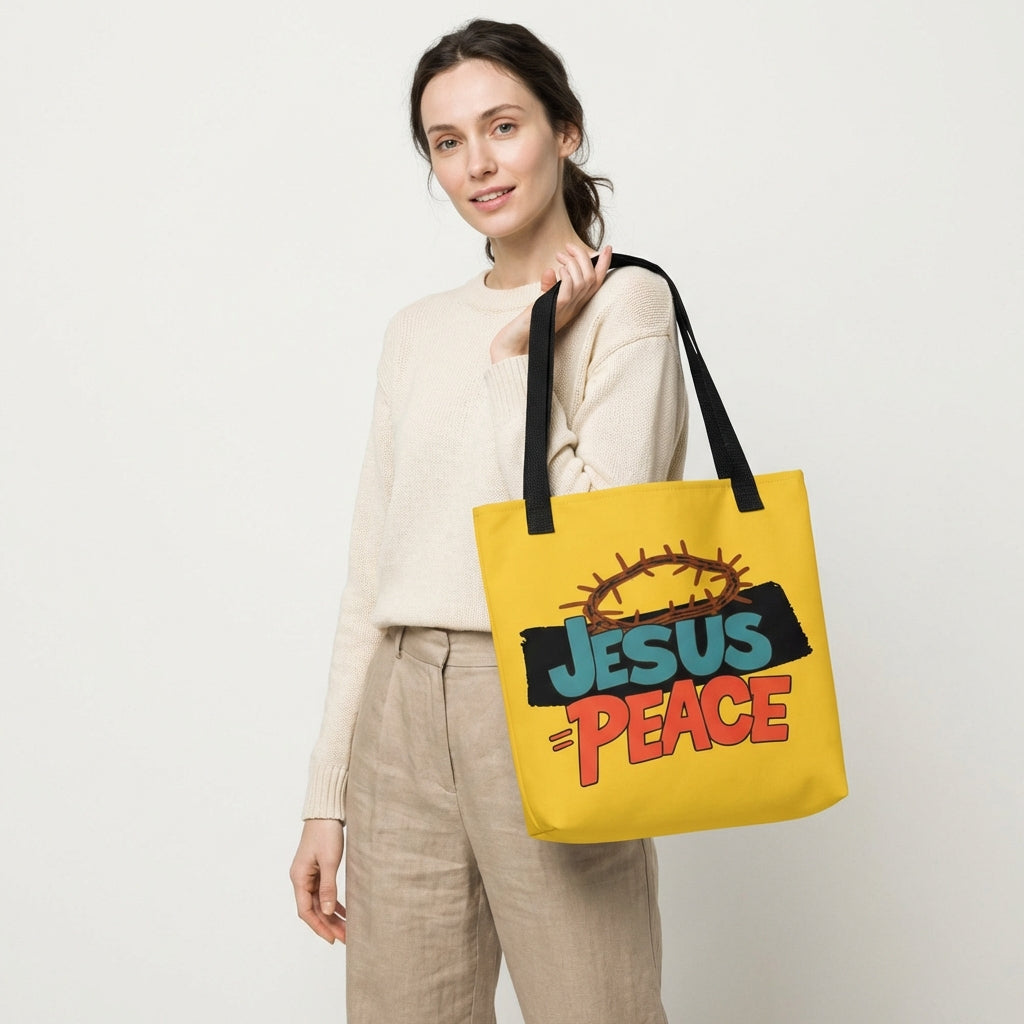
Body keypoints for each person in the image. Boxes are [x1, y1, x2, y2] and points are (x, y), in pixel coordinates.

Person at [290, 18, 687, 1024]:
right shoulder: (415, 333)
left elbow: (609, 542)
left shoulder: (629, 307)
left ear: (564, 130)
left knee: (593, 1008)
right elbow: (372, 568)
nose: (478, 162)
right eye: (447, 141)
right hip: (400, 716)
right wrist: (325, 794)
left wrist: (529, 359)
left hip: (555, 689)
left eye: (502, 126)